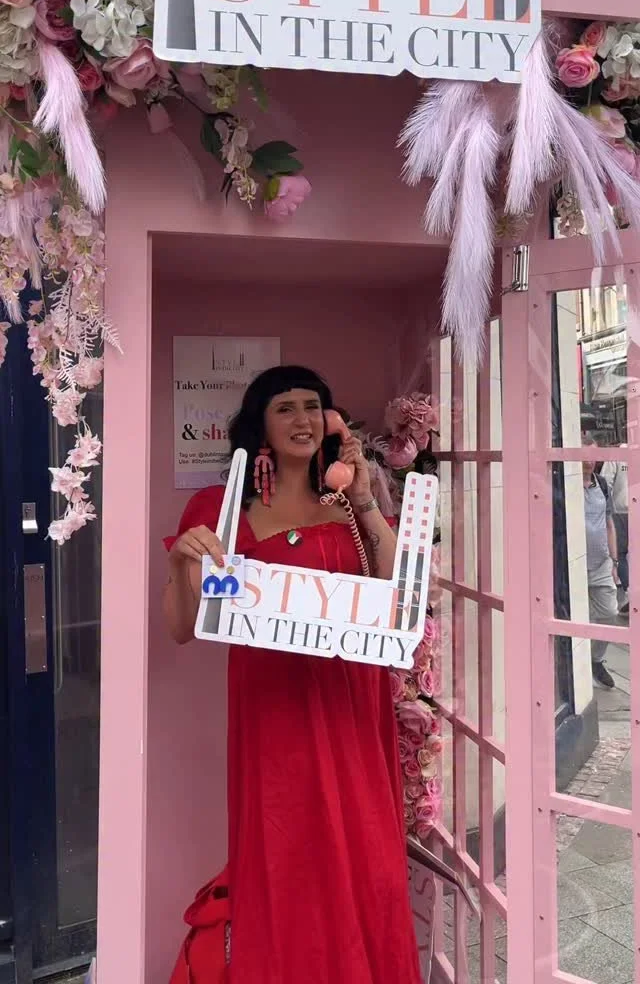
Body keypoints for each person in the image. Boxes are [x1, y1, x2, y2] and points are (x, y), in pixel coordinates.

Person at [163, 366, 421, 984]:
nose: (302, 419)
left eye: (313, 406)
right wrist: (180, 564)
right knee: (288, 854)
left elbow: (403, 591)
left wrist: (365, 496)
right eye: (286, 408)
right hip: (273, 707)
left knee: (368, 853)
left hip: (350, 702)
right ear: (261, 425)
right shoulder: (223, 508)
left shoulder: (347, 503)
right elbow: (182, 627)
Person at [582, 433, 620, 689]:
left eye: (594, 456)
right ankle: (574, 666)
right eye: (585, 456)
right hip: (573, 566)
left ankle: (595, 660)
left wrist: (614, 562)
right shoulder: (564, 485)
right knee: (577, 619)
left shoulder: (602, 484)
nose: (590, 461)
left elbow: (609, 523)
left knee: (610, 614)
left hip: (602, 564)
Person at [600, 450, 629, 617]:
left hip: (621, 511)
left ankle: (629, 591)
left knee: (621, 553)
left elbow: (606, 482)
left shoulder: (617, 455)